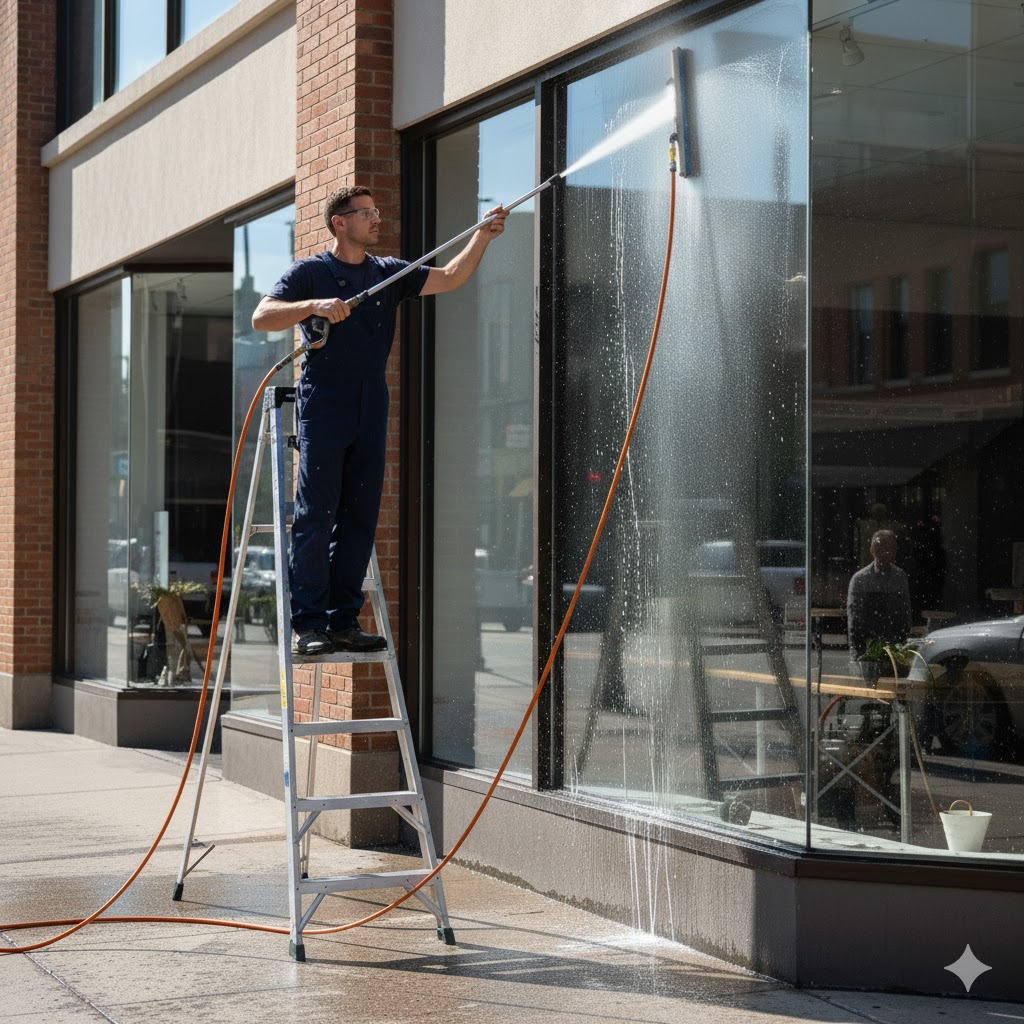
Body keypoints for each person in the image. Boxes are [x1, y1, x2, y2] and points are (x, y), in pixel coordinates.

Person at [252, 186, 509, 655]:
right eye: (366, 213)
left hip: (372, 401)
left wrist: (483, 237)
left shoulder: (388, 272)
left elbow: (451, 277)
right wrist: (313, 306)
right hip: (325, 400)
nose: (376, 219)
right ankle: (309, 625)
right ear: (340, 222)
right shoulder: (311, 272)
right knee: (315, 514)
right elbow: (262, 317)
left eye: (376, 211)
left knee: (360, 515)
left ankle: (343, 621)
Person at [846, 529, 912, 659]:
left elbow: (905, 614)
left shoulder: (900, 577)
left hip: (893, 647)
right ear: (873, 550)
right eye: (883, 547)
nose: (889, 552)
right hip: (867, 648)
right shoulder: (860, 579)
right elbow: (854, 619)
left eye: (892, 548)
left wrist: (901, 645)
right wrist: (856, 651)